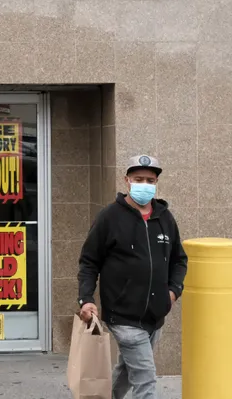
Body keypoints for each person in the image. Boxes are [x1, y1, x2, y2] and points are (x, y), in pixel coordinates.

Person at [76, 154, 188, 399]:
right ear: (126, 180)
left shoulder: (165, 218)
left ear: (156, 182)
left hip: (156, 315)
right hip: (123, 316)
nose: (144, 184)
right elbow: (88, 262)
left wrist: (173, 292)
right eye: (139, 179)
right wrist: (86, 298)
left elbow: (180, 259)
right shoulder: (110, 217)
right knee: (145, 378)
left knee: (128, 370)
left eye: (150, 180)